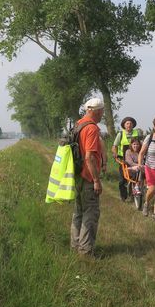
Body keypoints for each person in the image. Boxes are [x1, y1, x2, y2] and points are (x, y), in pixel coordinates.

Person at [70, 97, 105, 256]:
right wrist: (96, 180)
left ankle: (75, 246)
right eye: (101, 111)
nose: (102, 114)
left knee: (78, 212)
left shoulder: (78, 124)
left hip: (77, 175)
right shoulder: (91, 128)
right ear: (96, 111)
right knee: (90, 214)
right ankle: (85, 252)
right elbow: (89, 157)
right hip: (88, 176)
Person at [112, 116, 141, 201]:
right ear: (124, 125)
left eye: (131, 123)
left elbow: (142, 144)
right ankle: (123, 196)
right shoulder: (120, 134)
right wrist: (115, 153)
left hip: (135, 157)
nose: (129, 125)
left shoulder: (137, 133)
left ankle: (133, 194)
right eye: (127, 123)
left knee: (136, 176)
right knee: (122, 179)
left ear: (133, 125)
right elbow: (114, 146)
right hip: (123, 159)